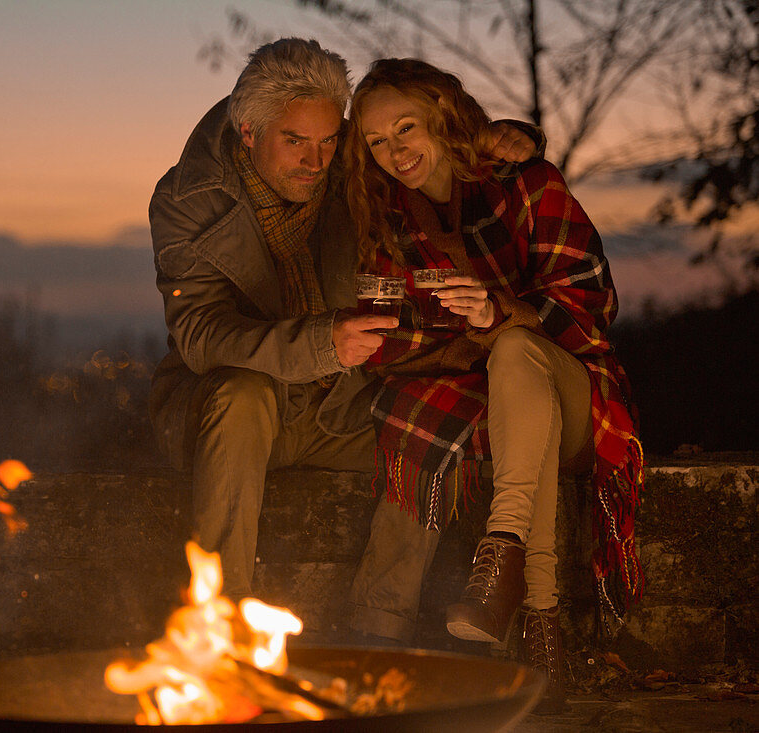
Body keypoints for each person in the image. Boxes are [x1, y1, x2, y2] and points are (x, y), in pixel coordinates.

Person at [148, 39, 539, 645]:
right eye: (296, 141)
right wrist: (319, 344)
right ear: (249, 132)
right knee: (244, 394)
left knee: (437, 413)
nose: (317, 159)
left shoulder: (353, 168)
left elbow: (421, 146)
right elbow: (199, 336)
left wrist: (496, 137)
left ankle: (378, 629)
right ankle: (218, 631)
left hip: (343, 406)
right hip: (235, 417)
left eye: (330, 139)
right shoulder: (184, 200)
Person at [343, 58, 644, 697]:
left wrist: (497, 314)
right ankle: (541, 633)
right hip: (496, 402)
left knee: (514, 356)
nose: (395, 152)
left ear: (442, 118)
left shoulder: (526, 182)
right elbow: (389, 338)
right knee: (474, 398)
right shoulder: (391, 219)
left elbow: (592, 302)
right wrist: (474, 333)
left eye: (406, 129)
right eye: (376, 142)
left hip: (576, 394)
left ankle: (499, 548)